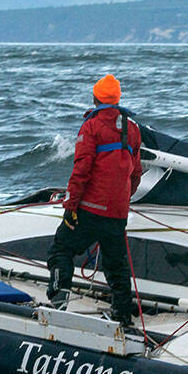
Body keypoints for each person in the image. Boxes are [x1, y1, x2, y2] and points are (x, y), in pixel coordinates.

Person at [47, 73, 144, 323]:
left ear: (95, 99)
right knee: (118, 267)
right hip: (117, 213)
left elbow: (81, 170)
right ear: (118, 99)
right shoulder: (133, 129)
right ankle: (123, 317)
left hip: (89, 209)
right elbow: (136, 174)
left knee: (61, 248)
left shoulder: (91, 126)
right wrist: (122, 200)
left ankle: (58, 300)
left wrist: (70, 206)